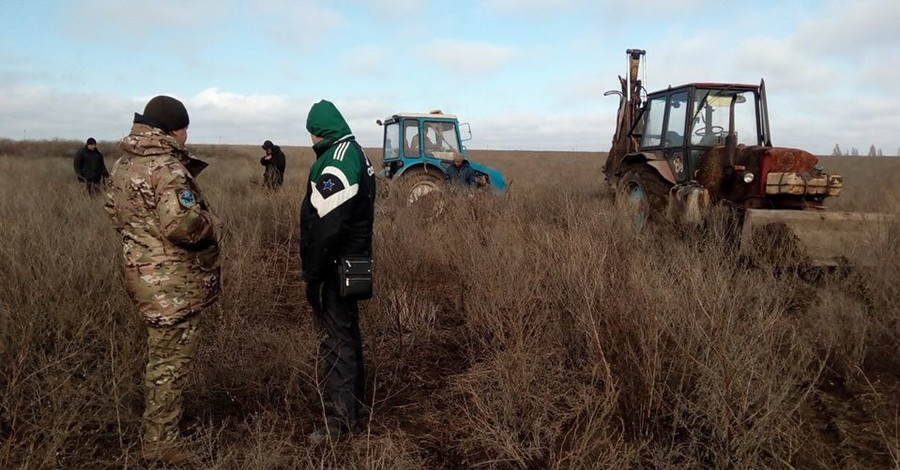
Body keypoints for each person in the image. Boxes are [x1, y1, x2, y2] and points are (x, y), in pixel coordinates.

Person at [104, 95, 221, 464]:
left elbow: (114, 213)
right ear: (174, 128)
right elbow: (183, 225)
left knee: (162, 358)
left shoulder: (125, 165)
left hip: (142, 275)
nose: (187, 136)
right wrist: (212, 223)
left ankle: (160, 428)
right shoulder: (167, 168)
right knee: (169, 364)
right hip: (172, 285)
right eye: (186, 128)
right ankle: (159, 442)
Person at [300, 99, 375, 443]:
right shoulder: (353, 152)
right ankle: (354, 404)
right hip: (349, 262)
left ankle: (340, 419)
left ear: (320, 131)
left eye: (311, 134)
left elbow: (328, 226)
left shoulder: (338, 161)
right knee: (346, 333)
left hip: (333, 266)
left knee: (336, 339)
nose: (311, 141)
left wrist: (313, 276)